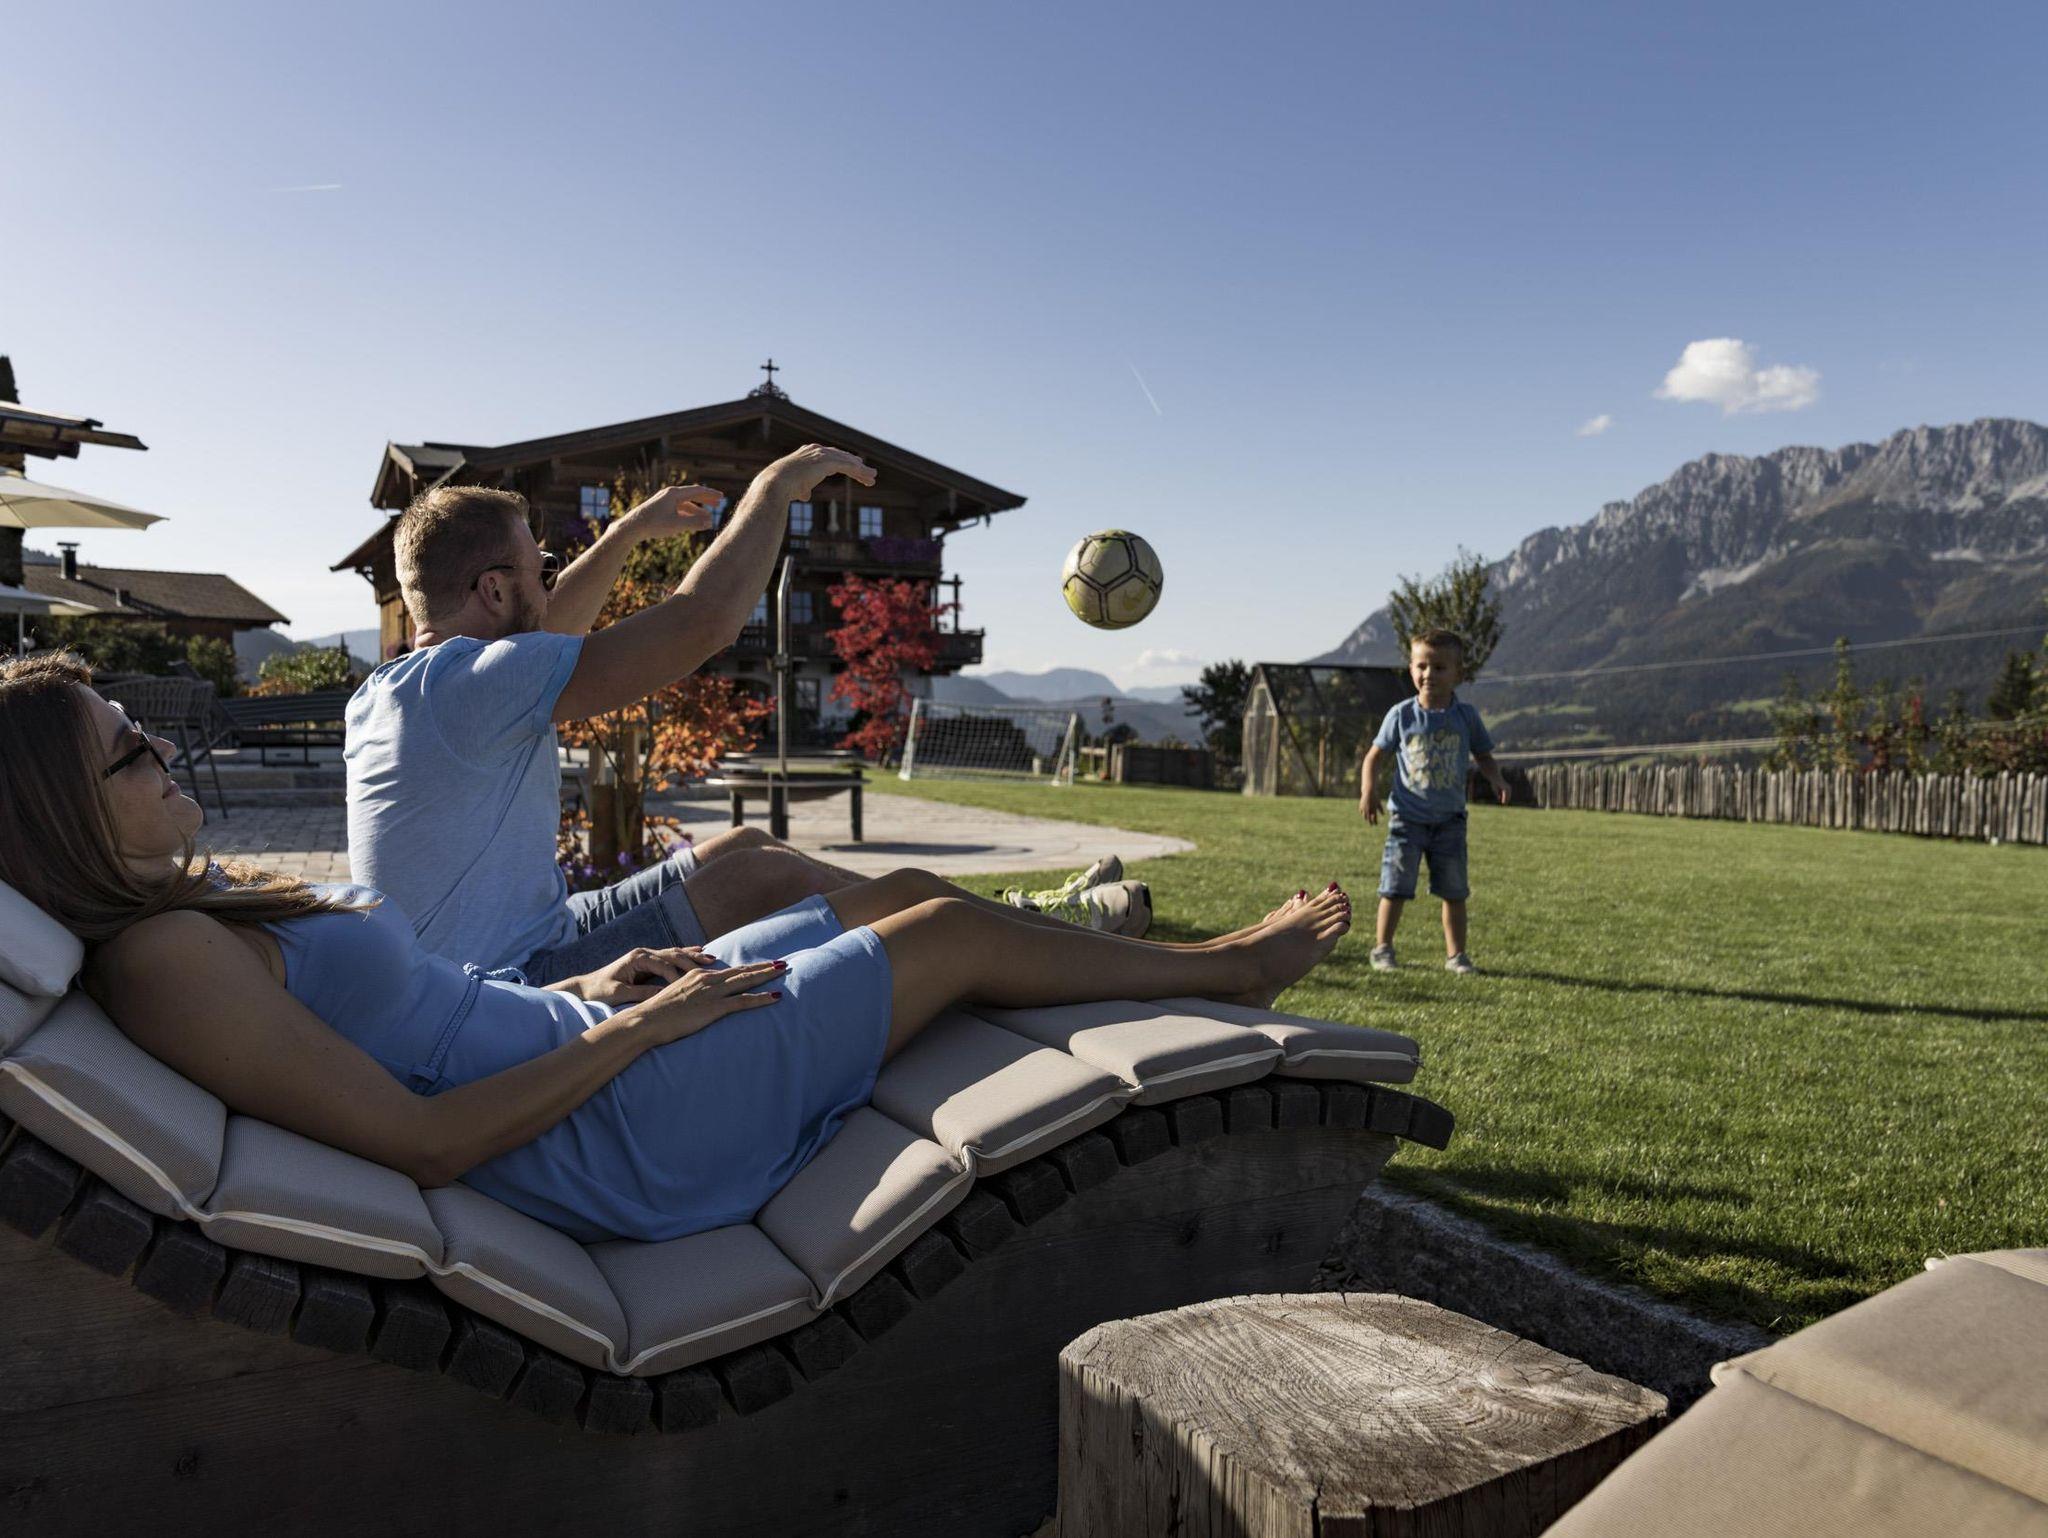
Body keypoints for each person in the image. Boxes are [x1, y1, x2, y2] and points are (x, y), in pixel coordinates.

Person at [0, 654, 1351, 1243]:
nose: (160, 747)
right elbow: (424, 1138)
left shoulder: (197, 916)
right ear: (62, 812)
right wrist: (640, 1031)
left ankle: (1208, 956)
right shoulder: (165, 959)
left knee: (871, 897)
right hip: (619, 1133)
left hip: (586, 1046)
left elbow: (423, 1018)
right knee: (940, 932)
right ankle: (1229, 969)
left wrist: (599, 985)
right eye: (127, 750)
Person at [347, 444, 878, 983]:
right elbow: (703, 622)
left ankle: (921, 919)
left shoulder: (395, 689)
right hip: (497, 986)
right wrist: (773, 487)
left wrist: (625, 532)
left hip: (518, 939)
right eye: (544, 572)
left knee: (741, 846)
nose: (550, 588)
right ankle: (927, 932)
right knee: (763, 878)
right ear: (494, 589)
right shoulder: (479, 683)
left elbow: (544, 624)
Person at [1357, 629, 1509, 975]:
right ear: (1411, 668)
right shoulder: (1402, 715)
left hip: (1450, 821)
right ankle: (1383, 948)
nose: (1429, 674)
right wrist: (1368, 790)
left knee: (1454, 892)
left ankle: (1457, 956)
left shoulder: (1466, 717)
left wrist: (1496, 778)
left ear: (1457, 673)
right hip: (1406, 820)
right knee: (1394, 888)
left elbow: (1484, 756)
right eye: (1421, 666)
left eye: (1439, 667)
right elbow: (1374, 757)